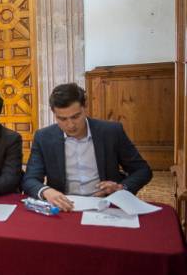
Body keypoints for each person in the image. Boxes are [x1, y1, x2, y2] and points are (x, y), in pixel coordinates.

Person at [22, 83, 152, 211]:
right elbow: (30, 179)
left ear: (85, 107)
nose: (70, 125)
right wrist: (46, 191)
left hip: (106, 204)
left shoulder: (111, 132)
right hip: (64, 207)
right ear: (54, 113)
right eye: (62, 119)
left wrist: (121, 188)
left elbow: (142, 170)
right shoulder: (44, 137)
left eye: (75, 116)